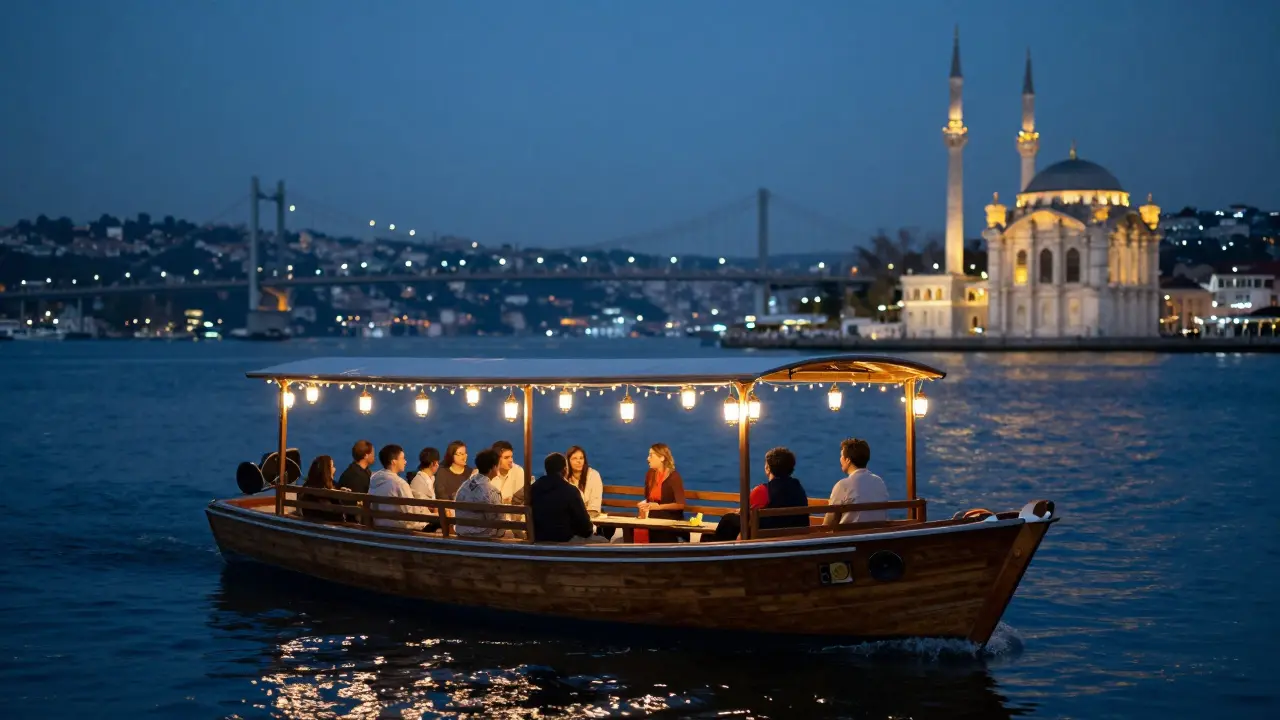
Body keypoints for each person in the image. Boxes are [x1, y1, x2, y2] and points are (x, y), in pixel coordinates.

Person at [712, 447, 810, 541]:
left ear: (768, 468)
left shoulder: (762, 490)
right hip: (796, 539)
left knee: (729, 519)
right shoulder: (799, 488)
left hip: (766, 539)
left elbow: (750, 518)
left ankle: (719, 550)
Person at [530, 452, 598, 543]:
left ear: (546, 470)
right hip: (565, 542)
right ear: (565, 470)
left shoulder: (534, 488)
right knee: (604, 541)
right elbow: (585, 528)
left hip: (539, 541)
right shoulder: (571, 491)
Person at [825, 438, 888, 526]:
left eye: (841, 456)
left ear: (848, 460)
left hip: (851, 538)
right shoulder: (879, 482)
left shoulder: (843, 485)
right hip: (877, 536)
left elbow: (829, 522)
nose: (840, 459)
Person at [368, 444, 430, 530]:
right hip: (400, 527)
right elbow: (411, 513)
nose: (405, 462)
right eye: (403, 458)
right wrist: (425, 510)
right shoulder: (399, 483)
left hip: (379, 524)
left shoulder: (374, 479)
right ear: (394, 462)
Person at [639, 443, 686, 543]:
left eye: (651, 455)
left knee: (660, 533)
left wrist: (659, 507)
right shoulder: (650, 474)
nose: (648, 459)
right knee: (630, 529)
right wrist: (644, 506)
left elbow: (680, 504)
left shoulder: (674, 477)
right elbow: (648, 499)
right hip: (654, 516)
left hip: (670, 519)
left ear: (662, 458)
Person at [454, 448, 506, 538]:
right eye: (498, 465)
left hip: (462, 532)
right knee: (511, 533)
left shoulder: (465, 485)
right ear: (493, 468)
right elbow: (498, 522)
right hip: (482, 535)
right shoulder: (492, 491)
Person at [299, 454, 348, 523]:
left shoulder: (308, 486)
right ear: (327, 470)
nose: (335, 469)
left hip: (310, 524)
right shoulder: (321, 493)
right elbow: (333, 515)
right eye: (332, 466)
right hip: (327, 526)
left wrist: (338, 491)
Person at [566, 445, 603, 518]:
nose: (578, 461)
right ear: (568, 461)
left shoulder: (593, 475)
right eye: (574, 458)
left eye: (581, 458)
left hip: (590, 516)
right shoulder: (565, 477)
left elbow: (595, 504)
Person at [490, 440, 526, 504]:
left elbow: (519, 501)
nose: (511, 460)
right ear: (496, 459)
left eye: (511, 457)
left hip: (512, 512)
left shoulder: (518, 471)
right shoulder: (489, 472)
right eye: (506, 458)